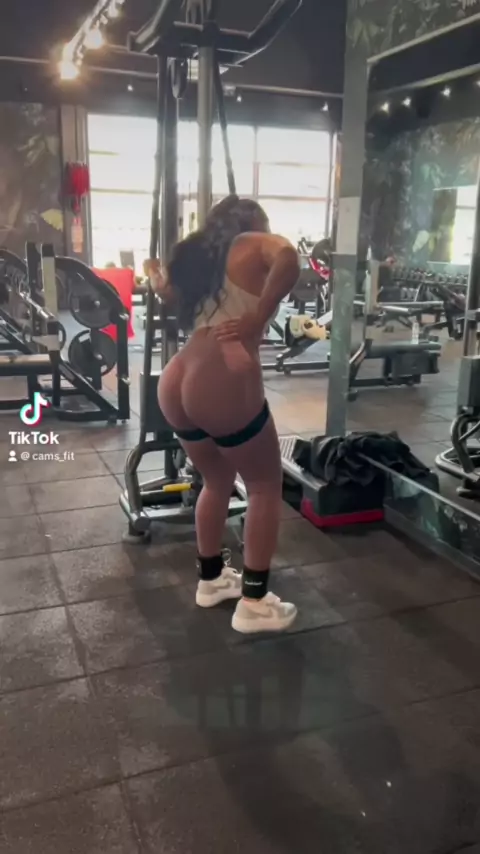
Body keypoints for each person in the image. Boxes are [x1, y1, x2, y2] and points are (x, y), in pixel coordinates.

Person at [147, 195, 301, 634]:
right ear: (253, 221)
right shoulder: (251, 243)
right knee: (265, 485)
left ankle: (212, 579)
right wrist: (258, 315)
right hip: (221, 373)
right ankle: (254, 603)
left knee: (215, 480)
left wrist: (154, 274)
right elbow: (289, 257)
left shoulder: (201, 260)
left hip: (177, 376)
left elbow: (165, 291)